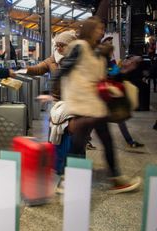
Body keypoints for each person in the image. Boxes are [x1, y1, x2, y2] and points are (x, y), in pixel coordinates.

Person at [52, 16, 141, 194]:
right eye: (98, 28)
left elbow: (107, 76)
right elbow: (63, 71)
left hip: (96, 105)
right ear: (90, 30)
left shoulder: (99, 51)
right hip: (84, 105)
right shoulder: (79, 47)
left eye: (102, 28)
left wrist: (124, 71)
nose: (101, 31)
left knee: (101, 141)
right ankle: (69, 181)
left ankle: (114, 179)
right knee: (80, 143)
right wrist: (51, 93)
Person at [29, 30, 77, 102]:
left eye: (62, 45)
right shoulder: (53, 59)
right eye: (57, 45)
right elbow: (38, 69)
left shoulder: (80, 60)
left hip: (75, 100)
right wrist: (24, 70)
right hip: (57, 100)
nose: (58, 48)